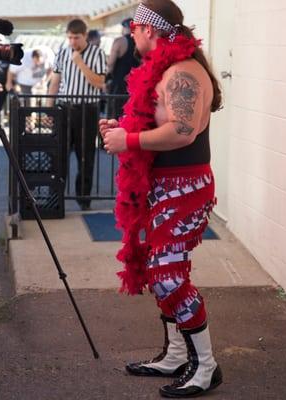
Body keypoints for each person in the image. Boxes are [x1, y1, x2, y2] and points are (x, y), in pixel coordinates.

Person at [100, 0, 223, 397]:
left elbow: (183, 131)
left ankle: (205, 367)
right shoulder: (168, 70)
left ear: (149, 29)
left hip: (185, 188)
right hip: (164, 185)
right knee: (162, 272)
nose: (131, 32)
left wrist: (129, 140)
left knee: (169, 276)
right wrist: (124, 128)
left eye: (134, 26)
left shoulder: (182, 72)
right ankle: (174, 355)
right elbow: (163, 123)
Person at [48, 19, 107, 211]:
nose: (72, 41)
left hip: (87, 110)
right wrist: (49, 108)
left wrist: (80, 63)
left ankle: (84, 199)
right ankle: (55, 198)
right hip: (64, 108)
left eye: (76, 37)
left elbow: (99, 83)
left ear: (85, 35)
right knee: (59, 154)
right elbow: (55, 82)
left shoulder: (97, 53)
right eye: (70, 37)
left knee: (85, 156)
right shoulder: (62, 52)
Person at [106, 18, 140, 118]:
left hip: (119, 84)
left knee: (115, 116)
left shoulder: (120, 41)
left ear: (125, 28)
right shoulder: (141, 42)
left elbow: (110, 64)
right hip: (136, 85)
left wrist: (107, 79)